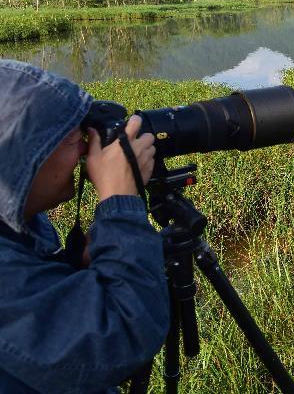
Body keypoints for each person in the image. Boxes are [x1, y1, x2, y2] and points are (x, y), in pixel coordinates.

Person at [0, 60, 169, 393]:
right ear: (20, 161)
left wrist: (78, 264)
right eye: (68, 139)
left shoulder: (19, 226)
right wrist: (120, 204)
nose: (83, 150)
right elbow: (121, 335)